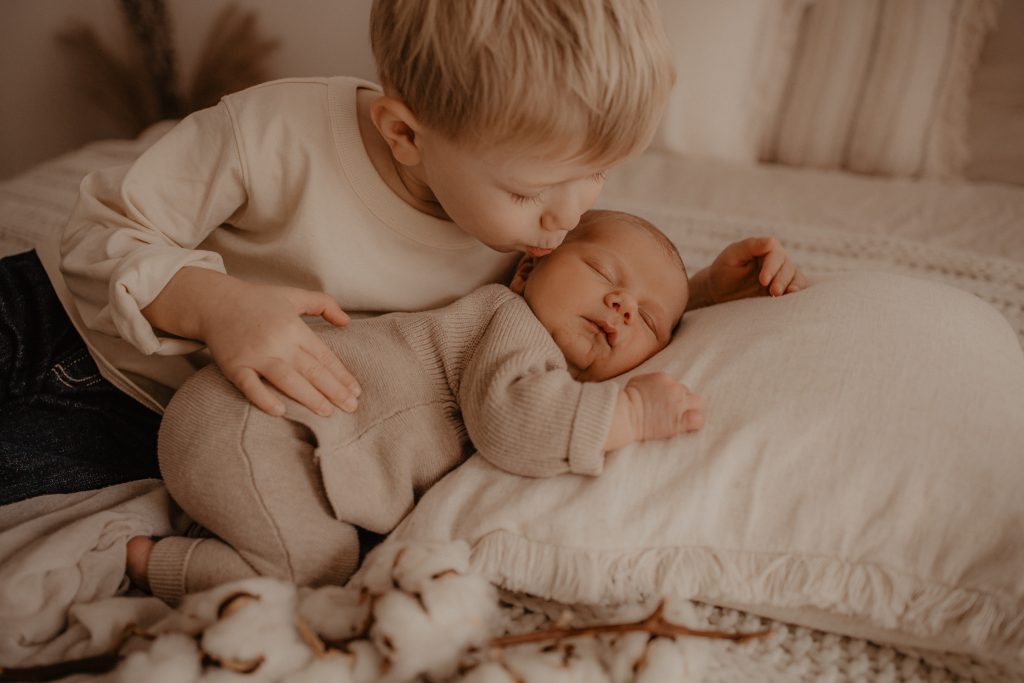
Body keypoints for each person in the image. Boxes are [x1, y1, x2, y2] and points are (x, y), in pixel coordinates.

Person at [0, 0, 799, 506]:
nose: (566, 217)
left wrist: (697, 294)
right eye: (532, 190)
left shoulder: (525, 238)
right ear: (405, 135)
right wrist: (217, 306)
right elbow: (99, 232)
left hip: (145, 423)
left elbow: (586, 297)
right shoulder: (272, 134)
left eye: (596, 175)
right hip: (49, 314)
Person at [124, 210, 804, 603]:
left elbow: (651, 303)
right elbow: (515, 423)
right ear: (528, 269)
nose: (624, 306)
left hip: (277, 441)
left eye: (649, 321)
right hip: (252, 419)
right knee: (320, 566)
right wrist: (629, 414)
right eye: (603, 274)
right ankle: (150, 563)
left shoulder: (545, 340)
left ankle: (209, 533)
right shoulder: (509, 323)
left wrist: (702, 296)